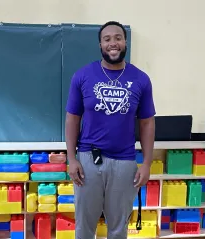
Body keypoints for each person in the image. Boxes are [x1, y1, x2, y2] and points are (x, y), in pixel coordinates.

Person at [65, 20, 156, 239]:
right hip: (88, 159)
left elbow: (147, 123)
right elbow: (72, 119)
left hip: (125, 162)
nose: (112, 43)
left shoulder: (141, 79)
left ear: (125, 42)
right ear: (100, 45)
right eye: (107, 39)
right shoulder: (82, 76)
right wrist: (72, 159)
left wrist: (146, 163)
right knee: (84, 226)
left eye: (118, 38)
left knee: (118, 227)